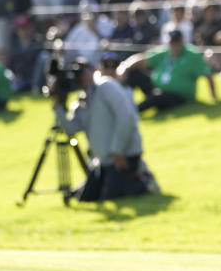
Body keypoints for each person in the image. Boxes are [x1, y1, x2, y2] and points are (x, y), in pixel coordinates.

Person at [51, 58, 154, 202]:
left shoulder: (106, 86)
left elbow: (126, 117)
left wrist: (117, 150)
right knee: (86, 198)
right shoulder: (81, 101)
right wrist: (58, 106)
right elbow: (71, 130)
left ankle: (143, 180)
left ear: (93, 70)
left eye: (82, 71)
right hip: (104, 161)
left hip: (123, 155)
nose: (80, 76)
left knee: (110, 198)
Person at [117, 29, 217, 113]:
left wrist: (214, 97)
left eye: (176, 42)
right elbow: (140, 59)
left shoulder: (192, 55)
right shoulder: (165, 52)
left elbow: (208, 74)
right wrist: (124, 68)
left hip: (179, 96)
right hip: (157, 87)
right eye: (172, 42)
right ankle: (122, 102)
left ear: (182, 41)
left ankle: (130, 112)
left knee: (156, 97)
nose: (174, 45)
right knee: (134, 74)